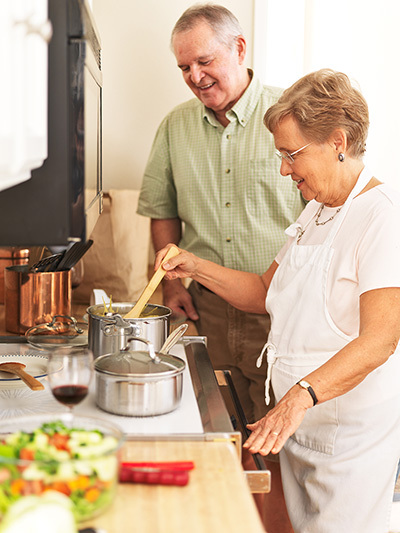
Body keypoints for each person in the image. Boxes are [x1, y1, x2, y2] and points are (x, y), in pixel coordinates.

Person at [153, 69, 400, 532]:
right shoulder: (318, 208)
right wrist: (195, 265)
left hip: (346, 440)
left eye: (292, 154)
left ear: (337, 141)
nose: (285, 170)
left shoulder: (384, 217)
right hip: (300, 427)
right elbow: (267, 291)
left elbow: (381, 340)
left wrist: (300, 397)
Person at [137, 5, 304, 531]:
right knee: (214, 433)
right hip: (204, 308)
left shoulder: (292, 114)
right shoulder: (174, 126)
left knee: (278, 444)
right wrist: (171, 284)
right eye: (183, 68)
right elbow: (160, 207)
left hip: (279, 312)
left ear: (239, 49)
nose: (194, 77)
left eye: (203, 61)